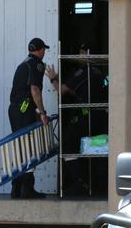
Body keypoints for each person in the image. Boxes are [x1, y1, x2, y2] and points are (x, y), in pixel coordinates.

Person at [45, 45, 108, 196]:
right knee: (91, 150)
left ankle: (81, 183)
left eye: (80, 53)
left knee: (67, 145)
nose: (78, 56)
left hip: (88, 116)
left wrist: (53, 78)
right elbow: (77, 90)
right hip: (101, 117)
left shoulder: (84, 71)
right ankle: (95, 185)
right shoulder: (99, 71)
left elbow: (62, 90)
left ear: (87, 54)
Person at [7, 37, 51, 199]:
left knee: (20, 148)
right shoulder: (37, 64)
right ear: (40, 50)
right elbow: (34, 90)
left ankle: (16, 188)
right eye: (44, 50)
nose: (44, 53)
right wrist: (42, 112)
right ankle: (27, 188)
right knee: (29, 148)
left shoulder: (24, 63)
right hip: (25, 110)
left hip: (15, 109)